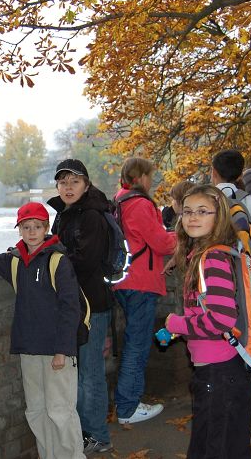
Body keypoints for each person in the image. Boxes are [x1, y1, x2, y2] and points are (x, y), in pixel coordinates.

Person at [0, 202, 85, 459]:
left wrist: (63, 350)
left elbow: (70, 308)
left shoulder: (58, 261)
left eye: (37, 227)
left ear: (46, 228)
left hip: (57, 350)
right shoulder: (15, 260)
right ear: (19, 229)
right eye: (26, 227)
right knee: (37, 411)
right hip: (29, 348)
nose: (32, 232)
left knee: (60, 411)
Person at [163, 184, 251, 458]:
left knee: (215, 447)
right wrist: (185, 328)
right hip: (222, 368)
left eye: (203, 211)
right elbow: (209, 310)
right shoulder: (207, 254)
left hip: (220, 371)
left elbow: (221, 320)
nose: (193, 217)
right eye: (188, 211)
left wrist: (177, 324)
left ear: (219, 216)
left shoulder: (212, 258)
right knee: (225, 444)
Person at [47, 158, 113, 454]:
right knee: (79, 372)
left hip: (92, 305)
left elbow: (85, 261)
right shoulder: (65, 214)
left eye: (74, 181)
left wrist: (51, 261)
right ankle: (84, 431)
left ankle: (98, 434)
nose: (68, 187)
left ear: (86, 185)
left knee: (90, 372)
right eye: (63, 182)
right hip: (75, 304)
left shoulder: (92, 216)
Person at [113, 157, 176, 424]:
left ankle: (128, 403)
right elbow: (161, 243)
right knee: (137, 345)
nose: (152, 181)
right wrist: (183, 235)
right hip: (141, 281)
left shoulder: (119, 201)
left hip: (124, 279)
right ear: (140, 178)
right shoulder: (139, 204)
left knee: (133, 342)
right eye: (150, 176)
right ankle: (128, 407)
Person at [211, 149, 251, 262]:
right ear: (240, 176)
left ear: (213, 172)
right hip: (240, 265)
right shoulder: (248, 201)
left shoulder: (204, 199)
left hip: (209, 263)